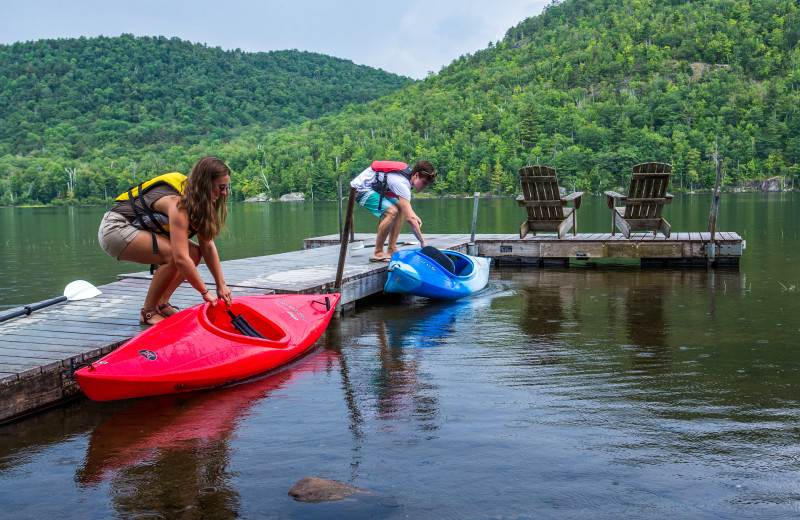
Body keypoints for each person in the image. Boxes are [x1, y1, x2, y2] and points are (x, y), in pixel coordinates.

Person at [98, 156, 234, 325]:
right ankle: (148, 312)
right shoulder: (179, 204)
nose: (223, 193)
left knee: (194, 253)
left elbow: (207, 246)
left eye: (226, 188)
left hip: (131, 229)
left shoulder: (197, 200)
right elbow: (180, 259)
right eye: (221, 187)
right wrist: (205, 292)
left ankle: (161, 304)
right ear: (206, 183)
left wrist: (221, 285)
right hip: (115, 229)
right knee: (174, 256)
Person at [350, 160, 437, 262]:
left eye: (428, 184)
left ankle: (391, 249)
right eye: (424, 182)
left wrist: (414, 215)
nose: (425, 186)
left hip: (374, 190)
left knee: (399, 208)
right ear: (416, 175)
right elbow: (409, 219)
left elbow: (407, 210)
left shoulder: (406, 178)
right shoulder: (401, 183)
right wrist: (423, 242)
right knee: (392, 212)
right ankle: (378, 253)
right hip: (359, 189)